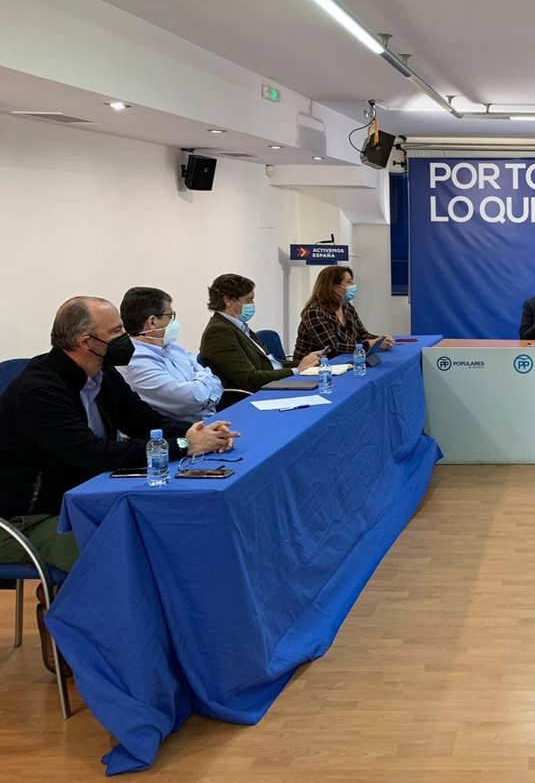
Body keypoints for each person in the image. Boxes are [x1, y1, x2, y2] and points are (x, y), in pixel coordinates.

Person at [0, 297, 237, 671]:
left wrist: (197, 433)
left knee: (157, 533)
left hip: (80, 497)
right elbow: (92, 454)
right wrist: (183, 445)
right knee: (120, 551)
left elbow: (142, 418)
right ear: (86, 341)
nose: (127, 339)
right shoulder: (38, 390)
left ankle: (175, 646)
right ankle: (96, 645)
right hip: (25, 517)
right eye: (117, 332)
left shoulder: (102, 373)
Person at [199, 274, 322, 392]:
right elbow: (249, 379)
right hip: (250, 396)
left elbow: (270, 363)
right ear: (228, 301)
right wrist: (297, 370)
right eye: (248, 300)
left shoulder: (238, 326)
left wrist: (307, 362)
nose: (252, 304)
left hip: (271, 385)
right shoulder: (218, 332)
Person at [117, 286, 223, 422]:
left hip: (211, 419)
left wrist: (201, 389)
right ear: (152, 322)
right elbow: (189, 400)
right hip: (183, 430)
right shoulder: (134, 361)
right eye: (170, 316)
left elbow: (214, 379)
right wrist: (204, 385)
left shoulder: (172, 346)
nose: (174, 322)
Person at [293, 265, 393, 359]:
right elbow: (332, 347)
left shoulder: (347, 307)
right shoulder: (315, 312)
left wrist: (379, 339)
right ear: (335, 288)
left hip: (343, 361)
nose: (353, 285)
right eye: (349, 282)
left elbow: (361, 334)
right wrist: (367, 345)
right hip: (314, 366)